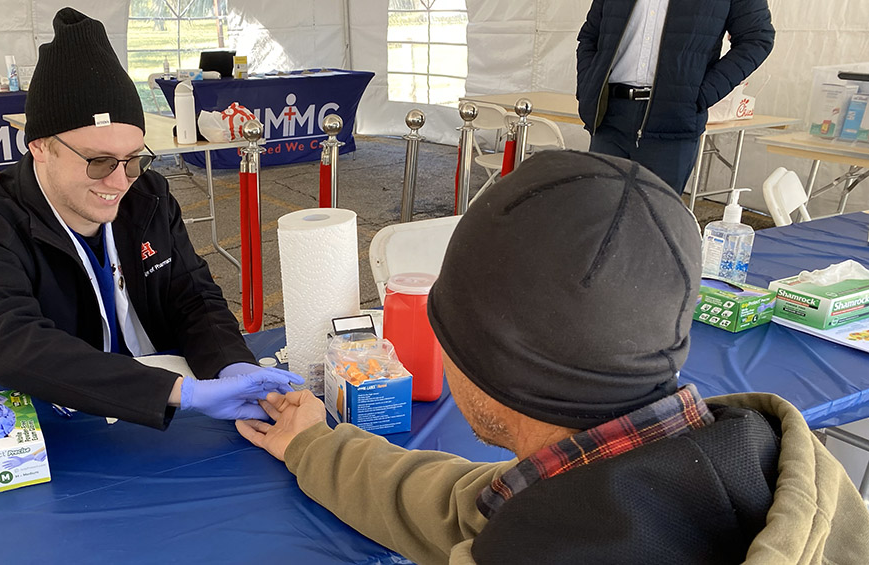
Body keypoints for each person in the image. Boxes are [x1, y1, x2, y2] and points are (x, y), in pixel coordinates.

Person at [237, 151, 869, 564]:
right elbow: (473, 506)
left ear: (485, 370)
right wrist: (313, 446)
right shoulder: (772, 460)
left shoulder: (540, 541)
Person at [0, 7, 300, 430]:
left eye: (133, 159)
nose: (119, 181)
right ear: (40, 147)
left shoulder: (148, 195)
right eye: (98, 161)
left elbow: (192, 295)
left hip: (163, 399)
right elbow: (12, 344)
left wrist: (229, 365)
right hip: (70, 409)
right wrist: (180, 393)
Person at [576, 0, 774, 195]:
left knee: (656, 220)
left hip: (672, 120)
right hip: (609, 117)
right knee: (599, 216)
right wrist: (588, 85)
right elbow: (589, 36)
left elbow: (757, 38)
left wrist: (701, 93)